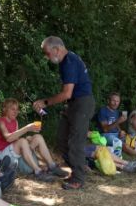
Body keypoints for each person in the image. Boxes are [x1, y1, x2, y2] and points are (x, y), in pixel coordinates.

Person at [33, 36, 95, 190]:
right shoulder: (67, 60)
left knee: (76, 141)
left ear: (56, 49)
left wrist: (45, 102)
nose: (46, 57)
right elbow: (69, 94)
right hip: (74, 104)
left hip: (82, 104)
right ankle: (79, 167)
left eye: (47, 53)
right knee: (61, 138)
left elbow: (67, 93)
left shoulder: (69, 62)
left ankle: (78, 179)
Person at [0, 98, 68, 183]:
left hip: (13, 154)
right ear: (5, 109)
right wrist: (27, 128)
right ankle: (38, 172)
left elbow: (15, 140)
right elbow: (8, 138)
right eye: (12, 109)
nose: (15, 112)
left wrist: (28, 140)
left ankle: (52, 166)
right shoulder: (0, 121)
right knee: (22, 141)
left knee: (37, 137)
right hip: (1, 158)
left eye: (17, 109)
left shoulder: (15, 121)